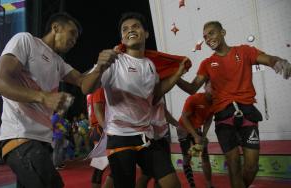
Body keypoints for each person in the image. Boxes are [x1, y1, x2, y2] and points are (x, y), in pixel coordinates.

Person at [0, 12, 117, 188]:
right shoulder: (26, 40)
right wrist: (43, 97)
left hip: (42, 141)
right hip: (20, 137)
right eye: (72, 33)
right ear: (56, 28)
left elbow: (83, 84)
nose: (74, 40)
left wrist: (100, 67)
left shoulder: (58, 62)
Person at [176, 21, 291, 188]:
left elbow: (268, 59)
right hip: (224, 117)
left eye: (211, 33)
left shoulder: (244, 51)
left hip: (248, 112)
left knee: (251, 167)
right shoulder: (206, 64)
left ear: (223, 32)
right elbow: (192, 88)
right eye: (205, 37)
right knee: (234, 165)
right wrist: (175, 76)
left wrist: (279, 61)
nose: (208, 39)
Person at [101, 12, 187, 188]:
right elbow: (86, 87)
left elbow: (156, 96)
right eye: (125, 29)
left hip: (147, 135)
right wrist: (99, 67)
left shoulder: (150, 65)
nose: (130, 30)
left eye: (135, 26)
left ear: (146, 33)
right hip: (120, 136)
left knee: (172, 183)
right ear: (122, 38)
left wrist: (177, 74)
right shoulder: (114, 61)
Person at [176, 81, 214, 188]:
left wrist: (204, 135)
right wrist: (196, 136)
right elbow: (184, 117)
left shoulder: (215, 102)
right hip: (183, 128)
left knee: (204, 156)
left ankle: (209, 185)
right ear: (205, 86)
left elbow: (209, 119)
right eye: (212, 86)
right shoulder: (194, 99)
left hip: (196, 128)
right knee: (187, 157)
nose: (214, 89)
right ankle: (191, 184)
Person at [87, 87, 113, 188]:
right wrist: (107, 130)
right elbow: (98, 111)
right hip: (101, 129)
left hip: (99, 129)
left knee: (106, 165)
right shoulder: (99, 89)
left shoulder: (96, 91)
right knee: (100, 166)